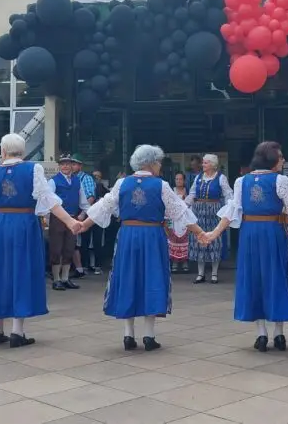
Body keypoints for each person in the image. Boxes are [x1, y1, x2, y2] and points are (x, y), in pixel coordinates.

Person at [77, 144, 203, 351]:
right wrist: (200, 233)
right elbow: (180, 212)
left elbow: (103, 206)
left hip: (127, 236)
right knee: (152, 278)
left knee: (127, 278)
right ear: (151, 163)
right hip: (152, 236)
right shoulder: (160, 185)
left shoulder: (121, 183)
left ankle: (128, 335)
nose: (160, 165)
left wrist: (83, 224)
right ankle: (149, 336)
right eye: (159, 162)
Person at [0, 135, 81, 348]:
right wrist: (70, 221)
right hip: (23, 224)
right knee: (21, 272)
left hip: (0, 225)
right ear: (22, 151)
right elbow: (47, 198)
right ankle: (17, 332)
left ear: (3, 151)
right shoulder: (33, 169)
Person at [202, 141, 288, 352]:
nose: (283, 160)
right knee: (278, 276)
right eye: (281, 157)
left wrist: (214, 233)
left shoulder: (242, 181)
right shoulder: (280, 180)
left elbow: (233, 210)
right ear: (272, 159)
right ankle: (279, 333)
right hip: (274, 233)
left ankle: (261, 334)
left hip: (250, 234)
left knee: (254, 278)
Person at [186, 154, 233, 284]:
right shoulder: (198, 178)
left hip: (214, 211)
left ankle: (214, 273)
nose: (203, 165)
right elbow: (192, 194)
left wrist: (229, 211)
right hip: (199, 211)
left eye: (206, 163)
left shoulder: (221, 178)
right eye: (203, 163)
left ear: (213, 164)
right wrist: (184, 206)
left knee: (215, 241)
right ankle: (200, 273)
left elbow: (228, 194)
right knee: (200, 239)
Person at [48, 154, 89, 290]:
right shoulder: (53, 181)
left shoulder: (77, 181)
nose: (65, 166)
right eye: (63, 164)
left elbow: (83, 201)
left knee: (69, 248)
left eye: (68, 163)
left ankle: (65, 278)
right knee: (56, 248)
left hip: (73, 218)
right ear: (59, 166)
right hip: (58, 219)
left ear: (72, 165)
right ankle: (56, 279)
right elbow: (48, 201)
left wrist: (84, 214)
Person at [72, 156, 97, 279]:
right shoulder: (69, 178)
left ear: (80, 166)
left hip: (84, 214)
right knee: (74, 242)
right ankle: (77, 268)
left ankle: (83, 267)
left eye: (75, 164)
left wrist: (82, 214)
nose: (72, 166)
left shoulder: (86, 178)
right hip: (72, 213)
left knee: (83, 242)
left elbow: (91, 197)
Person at [168, 173, 190, 272]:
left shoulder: (188, 191)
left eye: (180, 179)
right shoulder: (171, 191)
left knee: (185, 240)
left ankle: (185, 262)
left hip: (184, 219)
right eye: (176, 179)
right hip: (174, 219)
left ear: (184, 180)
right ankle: (175, 262)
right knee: (173, 239)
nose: (178, 181)